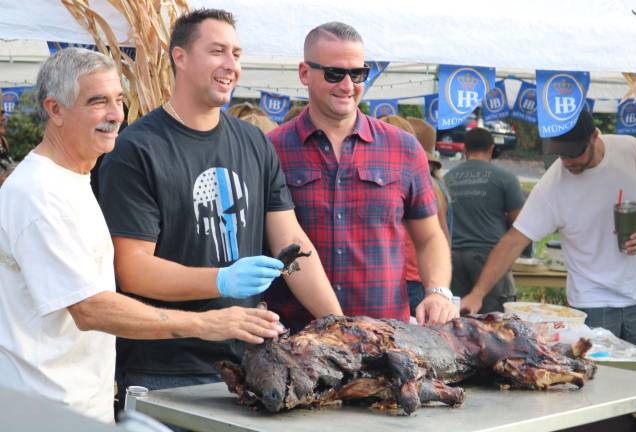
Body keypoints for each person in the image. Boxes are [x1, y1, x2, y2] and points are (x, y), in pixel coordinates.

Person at [0, 48, 285, 424]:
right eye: (97, 101)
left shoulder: (74, 179)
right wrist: (207, 323)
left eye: (119, 99)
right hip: (45, 408)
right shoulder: (39, 194)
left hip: (75, 401)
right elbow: (90, 308)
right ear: (55, 110)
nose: (116, 114)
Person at [98, 8, 342, 406]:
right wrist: (221, 280)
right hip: (164, 371)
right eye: (217, 51)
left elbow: (293, 243)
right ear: (179, 56)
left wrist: (338, 324)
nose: (231, 66)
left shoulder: (254, 143)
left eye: (237, 54)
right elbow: (132, 269)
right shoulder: (136, 149)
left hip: (248, 366)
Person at [266, 22, 456, 331]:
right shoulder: (271, 149)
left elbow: (430, 237)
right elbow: (269, 245)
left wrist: (437, 291)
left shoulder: (403, 148)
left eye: (358, 74)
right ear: (304, 73)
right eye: (334, 74)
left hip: (385, 340)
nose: (347, 84)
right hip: (296, 342)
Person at [471, 109, 636, 348]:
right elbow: (513, 241)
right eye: (560, 154)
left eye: (574, 153)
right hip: (591, 302)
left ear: (595, 137)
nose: (567, 161)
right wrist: (478, 293)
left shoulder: (631, 151)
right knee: (604, 380)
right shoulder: (551, 187)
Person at [444, 127, 525, 313]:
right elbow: (519, 223)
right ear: (491, 149)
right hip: (491, 258)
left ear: (465, 150)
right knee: (494, 323)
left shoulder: (447, 178)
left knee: (458, 320)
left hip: (453, 258)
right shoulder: (505, 178)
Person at [403, 116, 453, 314]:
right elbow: (446, 238)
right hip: (422, 278)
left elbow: (435, 238)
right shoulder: (439, 185)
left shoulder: (426, 187)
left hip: (413, 277)